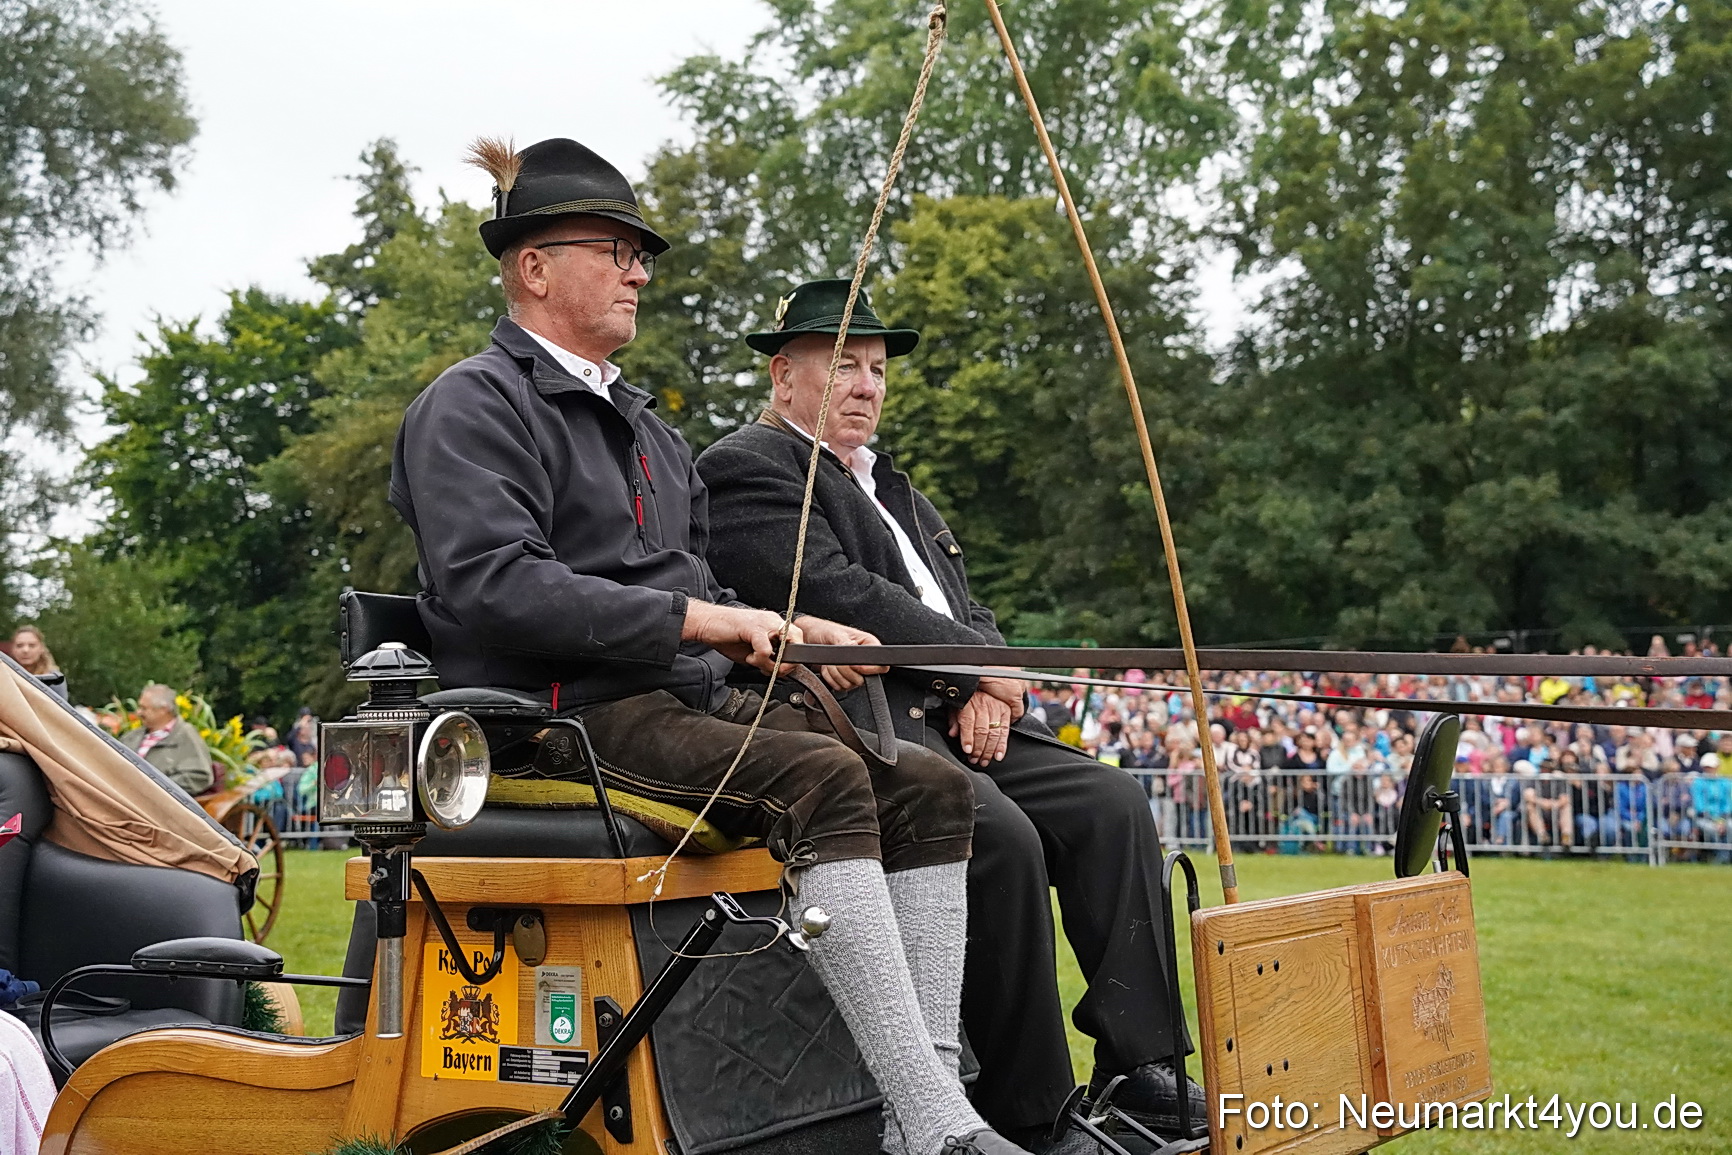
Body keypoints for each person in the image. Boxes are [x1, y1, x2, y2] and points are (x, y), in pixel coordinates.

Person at [389, 139, 1033, 1155]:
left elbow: (693, 583)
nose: (640, 270)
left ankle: (922, 1112)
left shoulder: (645, 426)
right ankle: (938, 1125)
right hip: (562, 719)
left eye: (641, 252)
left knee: (930, 787)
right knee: (819, 779)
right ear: (533, 267)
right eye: (615, 248)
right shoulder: (470, 406)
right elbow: (496, 587)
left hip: (678, 702)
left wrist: (785, 628)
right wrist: (707, 624)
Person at [695, 279, 1205, 1141]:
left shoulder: (894, 487)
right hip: (877, 724)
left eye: (878, 369)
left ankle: (1141, 1063)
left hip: (960, 706)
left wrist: (986, 676)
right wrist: (978, 673)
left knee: (1112, 803)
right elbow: (838, 592)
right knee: (1000, 840)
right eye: (846, 367)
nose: (868, 386)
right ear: (784, 377)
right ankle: (1034, 1112)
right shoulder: (746, 466)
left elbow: (967, 607)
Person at [120, 683, 213, 794]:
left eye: (144, 708)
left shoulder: (186, 736)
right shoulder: (131, 736)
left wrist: (157, 788)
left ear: (163, 710)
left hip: (156, 803)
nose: (138, 712)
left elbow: (200, 776)